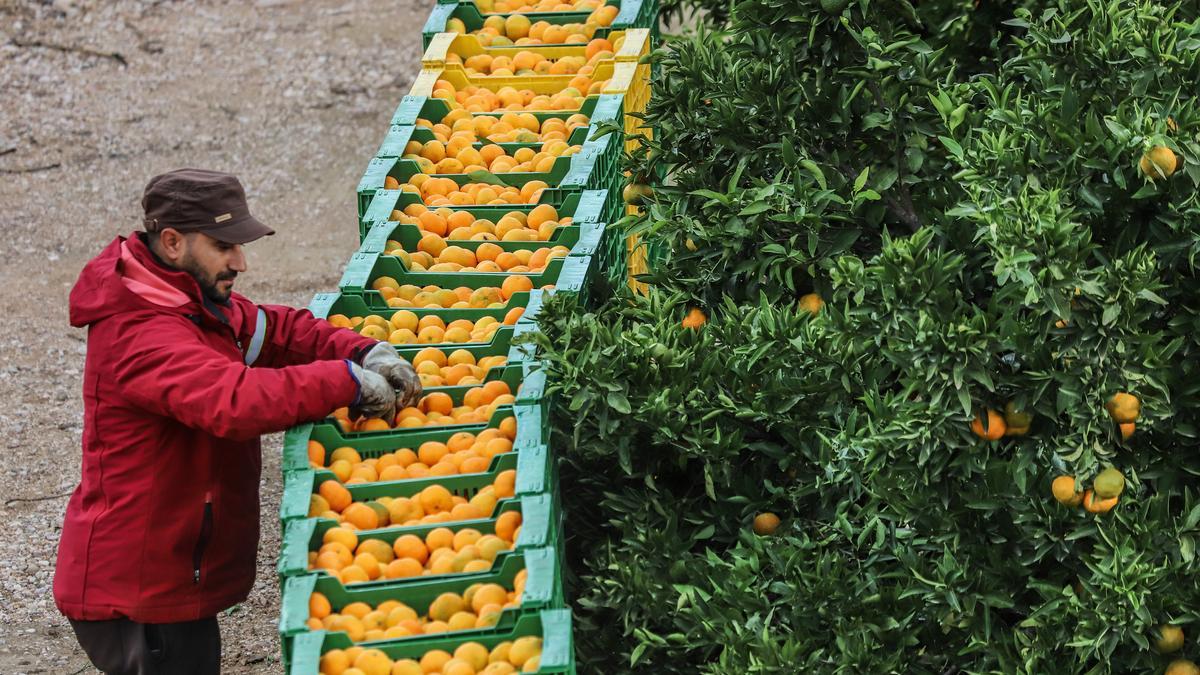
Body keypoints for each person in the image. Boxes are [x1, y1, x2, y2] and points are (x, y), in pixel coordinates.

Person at [53, 168, 422, 674]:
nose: (240, 262)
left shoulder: (187, 299)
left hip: (171, 569)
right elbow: (234, 402)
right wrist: (346, 382)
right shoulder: (140, 332)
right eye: (224, 246)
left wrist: (362, 351)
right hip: (140, 589)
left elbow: (275, 332)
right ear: (173, 241)